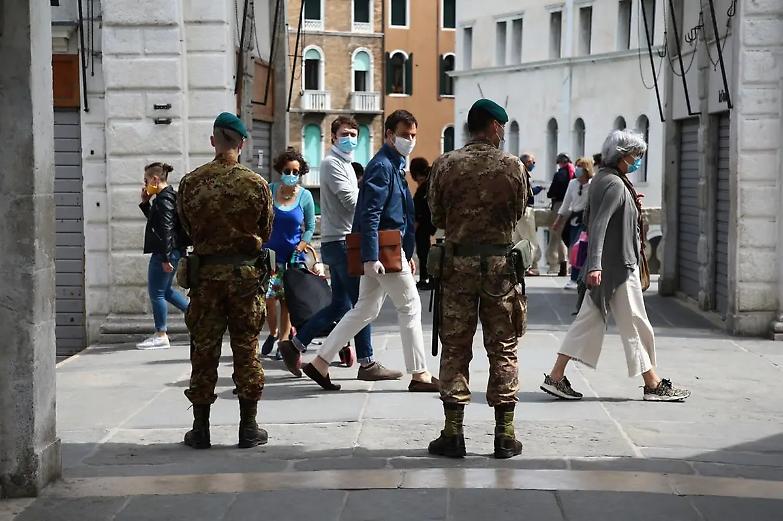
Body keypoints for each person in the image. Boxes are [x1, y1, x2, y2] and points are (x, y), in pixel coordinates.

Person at [540, 130, 691, 402]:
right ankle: (653, 384)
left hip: (613, 265)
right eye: (636, 155)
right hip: (618, 268)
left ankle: (556, 376)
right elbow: (598, 225)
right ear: (622, 156)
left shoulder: (606, 179)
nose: (638, 160)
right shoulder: (614, 185)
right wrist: (596, 266)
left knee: (589, 320)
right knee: (635, 323)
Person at [294, 110, 438, 392]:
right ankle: (419, 374)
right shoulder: (383, 166)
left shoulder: (393, 164)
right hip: (382, 251)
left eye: (413, 136)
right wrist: (371, 256)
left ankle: (321, 362)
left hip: (387, 250)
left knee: (364, 309)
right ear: (388, 135)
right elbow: (370, 213)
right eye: (404, 135)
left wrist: (403, 253)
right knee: (410, 305)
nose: (410, 140)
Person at [427, 99, 528, 459]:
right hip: (499, 269)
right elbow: (518, 211)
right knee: (503, 347)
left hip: (457, 268)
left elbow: (436, 214)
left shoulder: (445, 164)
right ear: (495, 127)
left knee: (455, 346)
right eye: (502, 128)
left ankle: (453, 433)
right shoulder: (512, 166)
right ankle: (505, 434)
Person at [277, 116, 403, 382]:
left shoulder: (344, 164)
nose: (350, 139)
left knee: (340, 305)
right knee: (362, 303)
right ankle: (367, 362)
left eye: (355, 135)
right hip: (343, 241)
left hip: (342, 240)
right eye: (345, 133)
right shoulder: (331, 163)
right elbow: (349, 200)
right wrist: (376, 205)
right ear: (333, 136)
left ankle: (296, 344)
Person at [177, 112, 274, 449]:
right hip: (244, 278)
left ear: (213, 141)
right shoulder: (256, 183)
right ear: (242, 143)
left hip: (205, 277)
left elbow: (185, 227)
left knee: (203, 349)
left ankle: (200, 429)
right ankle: (248, 427)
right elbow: (265, 229)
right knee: (246, 348)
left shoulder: (191, 182)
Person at [259, 148, 316, 358]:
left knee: (286, 302)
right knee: (268, 299)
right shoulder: (269, 190)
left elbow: (310, 226)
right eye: (287, 170)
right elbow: (260, 220)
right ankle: (272, 333)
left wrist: (302, 244)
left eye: (295, 172)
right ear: (279, 170)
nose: (291, 175)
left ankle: (284, 342)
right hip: (270, 257)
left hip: (293, 259)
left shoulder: (305, 196)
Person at [136, 162, 190, 350]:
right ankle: (195, 317)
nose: (144, 185)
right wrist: (145, 203)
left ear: (155, 179)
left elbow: (166, 230)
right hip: (171, 251)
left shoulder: (164, 200)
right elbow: (158, 224)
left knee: (156, 293)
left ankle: (161, 334)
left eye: (146, 180)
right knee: (166, 291)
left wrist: (166, 258)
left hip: (164, 253)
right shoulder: (167, 197)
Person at [553, 157, 594, 290]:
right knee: (574, 248)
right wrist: (558, 220)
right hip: (574, 219)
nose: (577, 169)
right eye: (577, 166)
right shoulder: (573, 184)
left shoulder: (593, 184)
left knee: (581, 249)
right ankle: (575, 277)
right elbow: (566, 203)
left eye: (580, 166)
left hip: (587, 220)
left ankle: (578, 277)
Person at [513, 153, 544, 276]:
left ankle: (515, 266)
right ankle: (526, 267)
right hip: (525, 211)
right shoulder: (524, 174)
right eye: (532, 162)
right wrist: (539, 189)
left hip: (517, 212)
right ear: (526, 162)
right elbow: (529, 192)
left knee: (517, 240)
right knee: (530, 241)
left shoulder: (516, 173)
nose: (534, 164)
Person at [410, 157, 436, 290]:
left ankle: (427, 278)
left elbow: (420, 209)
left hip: (424, 224)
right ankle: (426, 278)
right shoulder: (431, 182)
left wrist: (415, 225)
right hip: (429, 223)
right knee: (424, 251)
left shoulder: (424, 188)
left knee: (424, 252)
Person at [546, 153, 574, 276]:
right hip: (572, 207)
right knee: (571, 236)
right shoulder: (573, 174)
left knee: (559, 236)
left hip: (559, 206)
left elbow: (551, 192)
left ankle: (563, 264)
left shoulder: (559, 175)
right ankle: (573, 265)